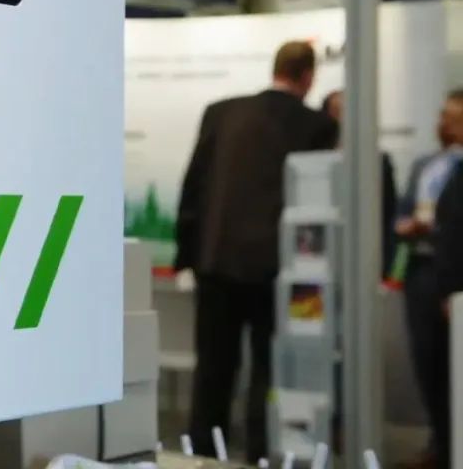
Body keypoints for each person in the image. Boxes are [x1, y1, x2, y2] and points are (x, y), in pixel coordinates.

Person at [176, 41, 338, 461]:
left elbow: (193, 187)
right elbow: (313, 201)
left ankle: (201, 456)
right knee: (271, 370)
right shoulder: (316, 126)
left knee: (213, 371)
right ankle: (261, 455)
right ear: (308, 76)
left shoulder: (221, 112)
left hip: (216, 263)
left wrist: (187, 256)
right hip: (278, 270)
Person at [399, 90, 463, 469]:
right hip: (422, 271)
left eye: (454, 118)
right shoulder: (425, 165)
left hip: (457, 277)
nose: (445, 125)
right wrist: (405, 226)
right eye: (444, 116)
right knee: (429, 364)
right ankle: (440, 443)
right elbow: (404, 209)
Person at [320, 90, 399, 278]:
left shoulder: (378, 162)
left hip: (368, 254)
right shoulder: (316, 159)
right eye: (338, 112)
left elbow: (387, 212)